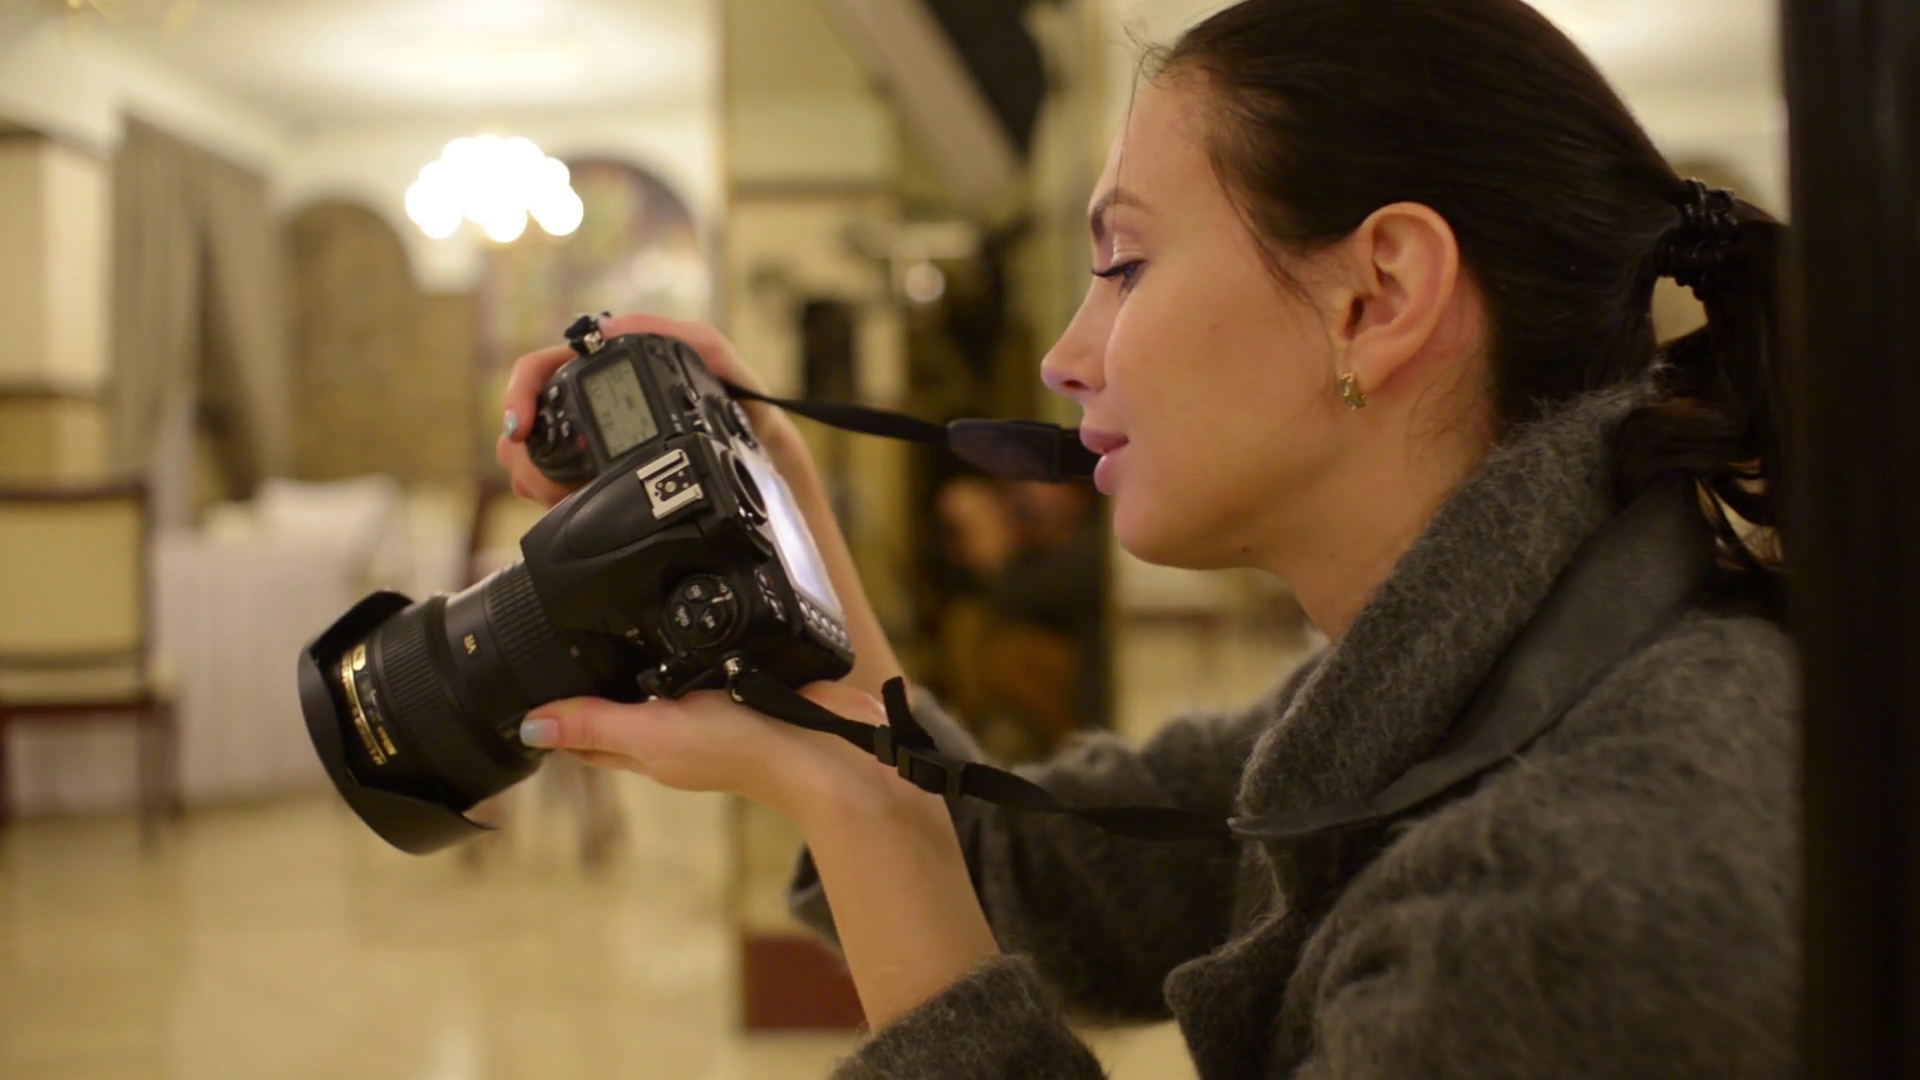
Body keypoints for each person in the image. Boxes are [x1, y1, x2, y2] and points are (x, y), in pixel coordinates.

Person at [495, 0, 1797, 1074]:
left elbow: (930, 849)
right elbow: (1036, 874)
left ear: (1378, 295)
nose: (1066, 359)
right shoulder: (1485, 668)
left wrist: (855, 805)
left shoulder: (1584, 894)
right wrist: (786, 525)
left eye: (1124, 265)